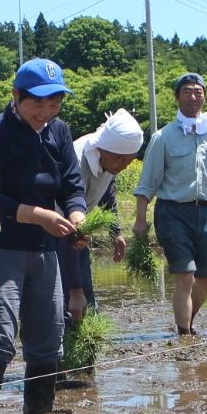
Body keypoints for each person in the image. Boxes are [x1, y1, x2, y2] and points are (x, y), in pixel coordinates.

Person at [0, 59, 89, 414]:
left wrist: (77, 215)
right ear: (16, 96)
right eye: (38, 103)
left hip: (45, 250)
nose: (46, 112)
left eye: (54, 104)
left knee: (49, 335)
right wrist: (39, 215)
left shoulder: (59, 132)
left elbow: (71, 184)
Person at [132, 72, 207, 337]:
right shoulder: (163, 137)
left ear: (205, 97)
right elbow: (147, 183)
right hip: (172, 212)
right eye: (186, 92)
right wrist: (140, 220)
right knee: (185, 275)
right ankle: (184, 335)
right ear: (177, 97)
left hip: (206, 212)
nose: (193, 96)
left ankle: (187, 321)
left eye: (198, 92)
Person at [60, 109, 145, 330]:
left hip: (78, 229)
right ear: (102, 148)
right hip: (57, 231)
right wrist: (75, 289)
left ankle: (85, 344)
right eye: (120, 158)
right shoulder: (77, 160)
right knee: (68, 300)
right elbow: (64, 231)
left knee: (86, 303)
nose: (124, 164)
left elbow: (108, 191)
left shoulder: (111, 159)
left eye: (130, 160)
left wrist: (115, 231)